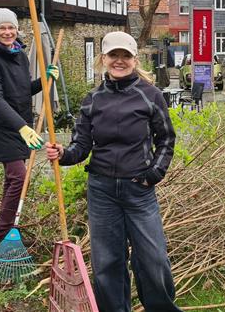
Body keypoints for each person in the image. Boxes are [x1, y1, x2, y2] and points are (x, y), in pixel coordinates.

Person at [44, 31, 180, 312]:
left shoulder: (150, 95)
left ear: (135, 59)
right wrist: (63, 154)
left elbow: (166, 139)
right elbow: (81, 146)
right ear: (103, 59)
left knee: (153, 258)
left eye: (125, 56)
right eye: (113, 55)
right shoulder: (92, 99)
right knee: (107, 262)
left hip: (139, 190)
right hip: (102, 191)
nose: (119, 61)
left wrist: (153, 174)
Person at [0, 8, 58, 244]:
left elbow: (22, 90)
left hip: (20, 124)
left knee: (13, 179)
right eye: (2, 28)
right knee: (19, 177)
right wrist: (22, 127)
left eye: (11, 27)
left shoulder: (19, 54)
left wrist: (43, 81)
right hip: (1, 127)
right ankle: (4, 234)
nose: (7, 32)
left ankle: (5, 229)